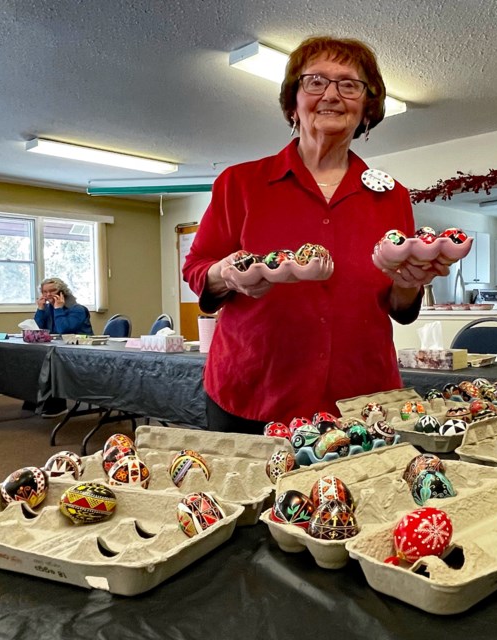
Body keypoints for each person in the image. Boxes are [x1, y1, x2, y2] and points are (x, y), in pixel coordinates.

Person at [182, 36, 448, 433]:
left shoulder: (392, 196)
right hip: (256, 390)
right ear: (293, 102)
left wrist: (409, 285)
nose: (332, 95)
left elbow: (397, 303)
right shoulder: (240, 183)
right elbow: (197, 268)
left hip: (359, 398)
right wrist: (225, 273)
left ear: (367, 108)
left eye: (349, 84)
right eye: (316, 82)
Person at [31, 277, 92, 417]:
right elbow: (37, 329)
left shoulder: (78, 309)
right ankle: (37, 401)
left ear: (62, 292)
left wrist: (58, 309)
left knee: (52, 364)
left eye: (52, 291)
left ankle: (57, 405)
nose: (47, 295)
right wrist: (40, 310)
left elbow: (64, 330)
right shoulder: (47, 308)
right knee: (35, 359)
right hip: (58, 348)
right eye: (44, 292)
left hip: (80, 351)